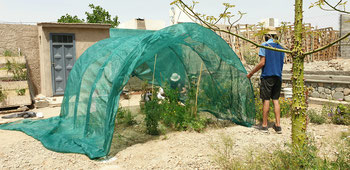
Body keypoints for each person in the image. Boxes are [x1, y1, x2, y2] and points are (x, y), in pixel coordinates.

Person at [246, 28, 285, 134]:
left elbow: (262, 63)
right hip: (278, 77)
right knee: (276, 100)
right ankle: (278, 126)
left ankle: (264, 125)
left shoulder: (264, 45)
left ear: (267, 36)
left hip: (267, 76)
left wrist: (251, 73)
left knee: (266, 100)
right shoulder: (281, 48)